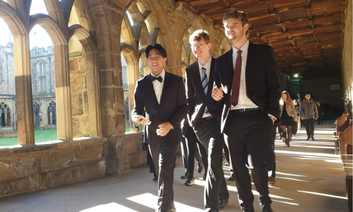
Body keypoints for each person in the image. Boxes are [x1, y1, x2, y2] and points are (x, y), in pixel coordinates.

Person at [212, 10, 281, 212]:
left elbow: (274, 86)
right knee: (238, 168)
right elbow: (219, 91)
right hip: (232, 119)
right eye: (226, 26)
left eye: (233, 24)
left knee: (258, 164)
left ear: (245, 27)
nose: (230, 29)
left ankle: (265, 201)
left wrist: (271, 115)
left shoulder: (263, 52)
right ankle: (246, 207)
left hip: (258, 117)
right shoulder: (222, 61)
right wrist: (217, 94)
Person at [132, 44, 187, 212]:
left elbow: (183, 107)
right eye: (150, 57)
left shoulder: (177, 81)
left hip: (170, 134)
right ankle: (169, 205)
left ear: (164, 59)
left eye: (157, 57)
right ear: (147, 60)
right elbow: (136, 109)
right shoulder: (141, 84)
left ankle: (162, 208)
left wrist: (170, 124)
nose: (153, 60)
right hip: (152, 135)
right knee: (161, 171)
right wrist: (137, 118)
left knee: (165, 169)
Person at [185, 29, 229, 211]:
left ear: (209, 45)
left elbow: (232, 93)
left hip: (218, 121)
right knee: (215, 161)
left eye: (200, 45)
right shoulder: (190, 70)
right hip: (200, 123)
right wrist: (190, 119)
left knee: (212, 158)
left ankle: (211, 207)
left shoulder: (221, 66)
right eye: (194, 46)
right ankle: (223, 194)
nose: (196, 49)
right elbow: (189, 99)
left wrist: (223, 94)